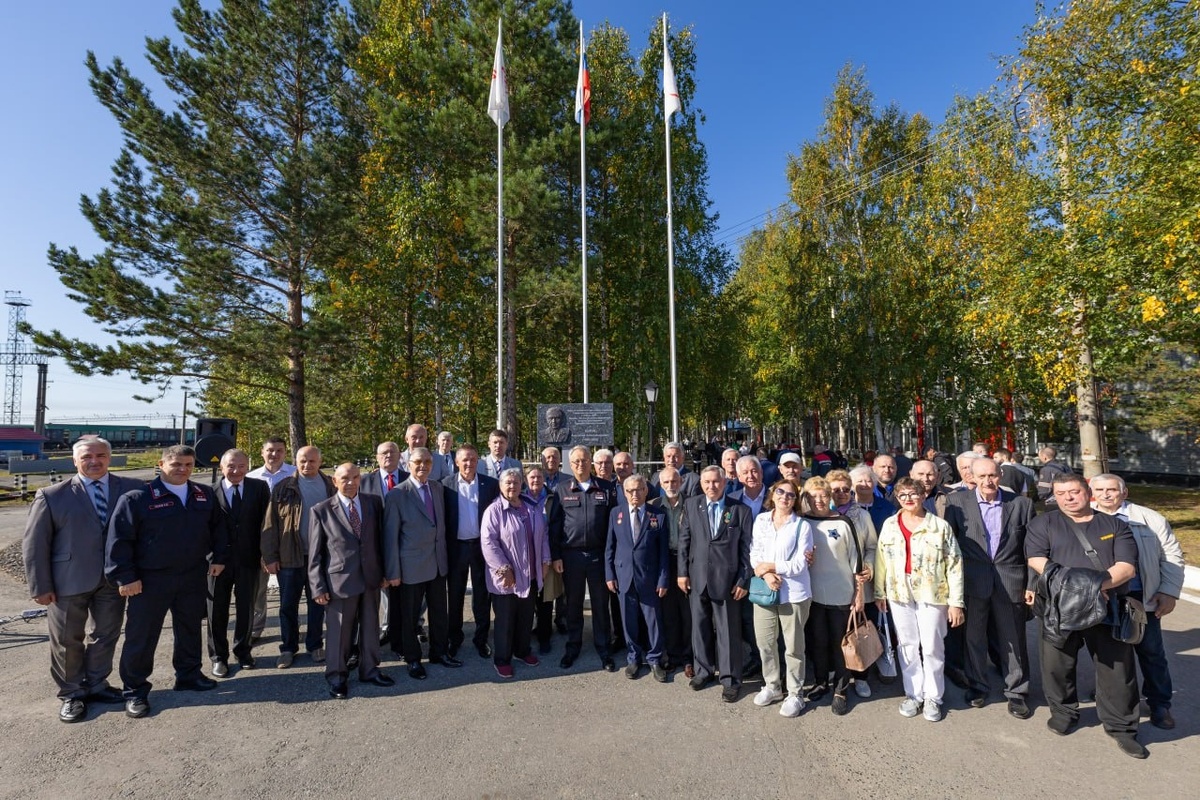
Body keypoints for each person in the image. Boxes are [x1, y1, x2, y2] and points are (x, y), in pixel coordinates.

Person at [22, 437, 144, 723]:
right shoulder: (52, 495)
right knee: (67, 639)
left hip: (114, 580)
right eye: (87, 456)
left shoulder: (132, 489)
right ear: (75, 460)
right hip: (67, 580)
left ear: (109, 458)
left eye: (101, 455)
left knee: (106, 634)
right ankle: (72, 693)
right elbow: (35, 544)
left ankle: (98, 684)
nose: (94, 461)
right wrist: (40, 586)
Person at [105, 445, 229, 719]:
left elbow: (218, 529)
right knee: (142, 636)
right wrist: (126, 576)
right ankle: (135, 690)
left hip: (192, 575)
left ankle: (188, 674)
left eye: (188, 464)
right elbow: (119, 541)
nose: (183, 469)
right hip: (149, 581)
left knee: (189, 629)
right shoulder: (137, 498)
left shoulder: (203, 494)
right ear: (161, 464)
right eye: (176, 464)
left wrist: (219, 557)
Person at [1026, 473, 1144, 758]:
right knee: (1057, 665)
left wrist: (1094, 589)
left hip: (1107, 607)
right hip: (1058, 607)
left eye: (1074, 492)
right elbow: (1037, 559)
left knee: (1116, 670)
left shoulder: (1115, 525)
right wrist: (1083, 587)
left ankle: (1121, 727)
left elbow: (1126, 568)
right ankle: (1064, 713)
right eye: (1061, 493)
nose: (1068, 497)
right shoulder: (1043, 523)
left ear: (1087, 492)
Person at [1089, 473, 1184, 731]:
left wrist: (1170, 591)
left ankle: (1159, 703)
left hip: (1140, 596)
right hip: (1101, 596)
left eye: (1112, 489)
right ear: (1092, 492)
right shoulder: (1085, 517)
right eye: (1100, 490)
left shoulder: (1149, 519)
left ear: (1124, 492)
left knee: (1151, 651)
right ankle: (1110, 696)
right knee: (1106, 652)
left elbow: (1172, 555)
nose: (1106, 494)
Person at [944, 456, 1036, 719]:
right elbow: (951, 548)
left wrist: (1032, 583)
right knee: (974, 637)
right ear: (971, 477)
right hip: (973, 581)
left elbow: (1033, 550)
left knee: (1013, 638)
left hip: (1011, 581)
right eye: (981, 476)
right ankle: (978, 685)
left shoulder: (1021, 504)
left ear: (1001, 475)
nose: (987, 481)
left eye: (992, 475)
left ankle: (1017, 691)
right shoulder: (957, 503)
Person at [874, 477, 964, 723]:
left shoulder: (939, 526)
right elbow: (881, 560)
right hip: (898, 591)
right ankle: (913, 693)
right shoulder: (890, 525)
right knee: (907, 645)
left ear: (923, 495)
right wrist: (879, 593)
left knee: (932, 645)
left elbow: (954, 564)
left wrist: (956, 602)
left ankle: (934, 696)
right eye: (902, 495)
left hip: (932, 591)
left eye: (913, 494)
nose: (908, 499)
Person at [308, 463, 394, 698]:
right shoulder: (321, 510)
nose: (351, 482)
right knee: (339, 634)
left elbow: (380, 540)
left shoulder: (373, 503)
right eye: (345, 478)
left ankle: (370, 669)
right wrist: (317, 586)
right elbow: (315, 554)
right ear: (334, 481)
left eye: (355, 477)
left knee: (370, 628)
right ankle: (337, 676)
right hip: (340, 582)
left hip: (371, 577)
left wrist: (385, 572)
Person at [383, 447, 461, 679]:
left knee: (439, 612)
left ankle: (440, 652)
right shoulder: (397, 494)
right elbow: (390, 537)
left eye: (427, 461)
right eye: (418, 462)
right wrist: (393, 571)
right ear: (408, 464)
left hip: (437, 563)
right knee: (409, 616)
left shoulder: (437, 488)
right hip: (410, 567)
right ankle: (413, 659)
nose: (423, 466)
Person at [678, 465, 754, 703]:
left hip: (728, 582)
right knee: (699, 628)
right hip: (697, 577)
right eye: (707, 482)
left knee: (728, 632)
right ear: (701, 483)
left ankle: (731, 680)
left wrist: (743, 579)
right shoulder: (692, 505)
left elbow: (747, 549)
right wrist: (682, 573)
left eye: (716, 482)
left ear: (724, 483)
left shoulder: (740, 510)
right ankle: (704, 671)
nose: (711, 486)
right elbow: (684, 541)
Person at [802, 477, 871, 715]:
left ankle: (841, 689)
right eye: (813, 496)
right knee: (818, 642)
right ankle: (821, 681)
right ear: (806, 498)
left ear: (829, 497)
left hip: (841, 594)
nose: (819, 500)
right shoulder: (802, 522)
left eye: (823, 495)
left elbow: (856, 562)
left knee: (840, 644)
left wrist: (859, 594)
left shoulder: (842, 523)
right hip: (813, 595)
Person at [261, 445, 334, 669]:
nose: (306, 465)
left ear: (320, 462)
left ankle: (314, 645)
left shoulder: (331, 486)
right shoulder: (284, 487)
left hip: (320, 558)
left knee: (317, 603)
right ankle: (288, 648)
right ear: (296, 461)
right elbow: (270, 524)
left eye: (311, 461)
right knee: (287, 606)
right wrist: (270, 556)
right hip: (290, 558)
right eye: (302, 460)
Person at [548, 445, 618, 672]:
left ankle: (604, 649)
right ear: (570, 464)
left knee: (600, 604)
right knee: (573, 605)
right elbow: (555, 525)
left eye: (585, 460)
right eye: (576, 461)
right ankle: (573, 646)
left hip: (599, 555)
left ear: (592, 463)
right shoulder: (562, 489)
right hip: (572, 556)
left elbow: (613, 524)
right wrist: (556, 555)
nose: (581, 464)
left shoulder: (606, 488)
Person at [749, 479, 813, 718]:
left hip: (794, 594)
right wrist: (766, 573)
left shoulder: (802, 526)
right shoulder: (762, 520)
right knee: (765, 642)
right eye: (780, 492)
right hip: (766, 591)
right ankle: (773, 686)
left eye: (791, 494)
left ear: (796, 500)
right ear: (772, 494)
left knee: (794, 646)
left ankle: (795, 693)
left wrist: (772, 566)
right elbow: (754, 552)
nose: (785, 497)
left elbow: (799, 564)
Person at [481, 468, 552, 678]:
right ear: (501, 486)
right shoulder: (494, 511)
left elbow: (543, 534)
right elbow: (488, 543)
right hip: (507, 577)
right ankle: (502, 658)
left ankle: (522, 651)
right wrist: (503, 569)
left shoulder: (531, 507)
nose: (512, 486)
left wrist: (545, 560)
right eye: (508, 483)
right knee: (505, 620)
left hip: (530, 574)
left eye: (516, 482)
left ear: (522, 484)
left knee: (525, 617)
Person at [207, 448, 270, 677]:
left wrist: (266, 554)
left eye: (241, 466)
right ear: (222, 467)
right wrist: (212, 558)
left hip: (249, 560)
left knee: (246, 609)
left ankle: (243, 651)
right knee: (217, 612)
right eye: (231, 466)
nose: (236, 471)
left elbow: (266, 523)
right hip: (218, 564)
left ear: (248, 467)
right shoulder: (208, 492)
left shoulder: (259, 488)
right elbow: (204, 529)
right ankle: (218, 657)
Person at [605, 474, 670, 682]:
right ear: (625, 492)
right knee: (628, 620)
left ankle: (654, 658)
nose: (635, 494)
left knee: (654, 621)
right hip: (623, 576)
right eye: (630, 490)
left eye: (639, 489)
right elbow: (610, 548)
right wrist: (609, 575)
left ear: (646, 490)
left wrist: (663, 579)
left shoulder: (658, 515)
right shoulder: (616, 513)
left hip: (649, 578)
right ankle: (633, 658)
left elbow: (663, 553)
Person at [442, 444, 500, 659]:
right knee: (455, 596)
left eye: (473, 459)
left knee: (482, 596)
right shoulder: (445, 485)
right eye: (464, 460)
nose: (468, 463)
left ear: (478, 462)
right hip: (456, 548)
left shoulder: (490, 485)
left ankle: (481, 638)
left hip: (480, 548)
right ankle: (454, 639)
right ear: (457, 462)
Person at [247, 437, 296, 640]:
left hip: (289, 541)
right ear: (262, 452)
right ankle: (256, 629)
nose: (274, 454)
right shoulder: (251, 477)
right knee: (258, 590)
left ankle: (291, 632)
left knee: (290, 592)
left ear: (285, 452)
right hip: (259, 540)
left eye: (279, 450)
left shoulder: (295, 474)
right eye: (270, 450)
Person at [649, 467, 692, 676]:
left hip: (687, 564)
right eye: (665, 483)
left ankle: (689, 657)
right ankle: (673, 655)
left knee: (688, 612)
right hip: (664, 563)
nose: (670, 486)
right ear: (660, 484)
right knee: (669, 612)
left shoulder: (693, 504)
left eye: (674, 482)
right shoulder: (653, 507)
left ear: (681, 481)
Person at [521, 466, 560, 653]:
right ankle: (526, 634)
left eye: (538, 477)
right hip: (526, 556)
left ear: (544, 478)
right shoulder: (519, 499)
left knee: (546, 598)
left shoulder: (553, 498)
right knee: (528, 597)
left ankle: (545, 636)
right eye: (531, 477)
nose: (535, 480)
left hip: (548, 555)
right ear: (525, 479)